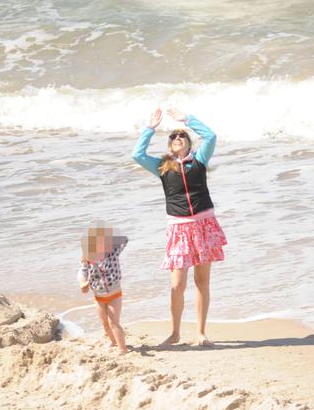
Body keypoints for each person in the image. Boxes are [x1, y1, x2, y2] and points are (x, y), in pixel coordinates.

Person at [132, 108, 227, 346]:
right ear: (169, 146)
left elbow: (211, 136)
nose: (177, 139)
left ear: (188, 142)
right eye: (173, 137)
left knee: (202, 282)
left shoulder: (200, 160)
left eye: (181, 136)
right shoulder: (163, 167)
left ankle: (201, 333)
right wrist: (150, 128)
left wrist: (188, 120)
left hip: (203, 225)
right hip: (179, 229)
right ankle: (174, 334)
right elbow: (137, 154)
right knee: (177, 284)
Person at [77, 223, 128, 354]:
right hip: (98, 297)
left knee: (113, 322)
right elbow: (82, 273)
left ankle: (122, 348)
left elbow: (124, 239)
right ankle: (113, 341)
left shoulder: (112, 253)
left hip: (114, 294)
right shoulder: (87, 260)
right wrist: (82, 284)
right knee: (104, 323)